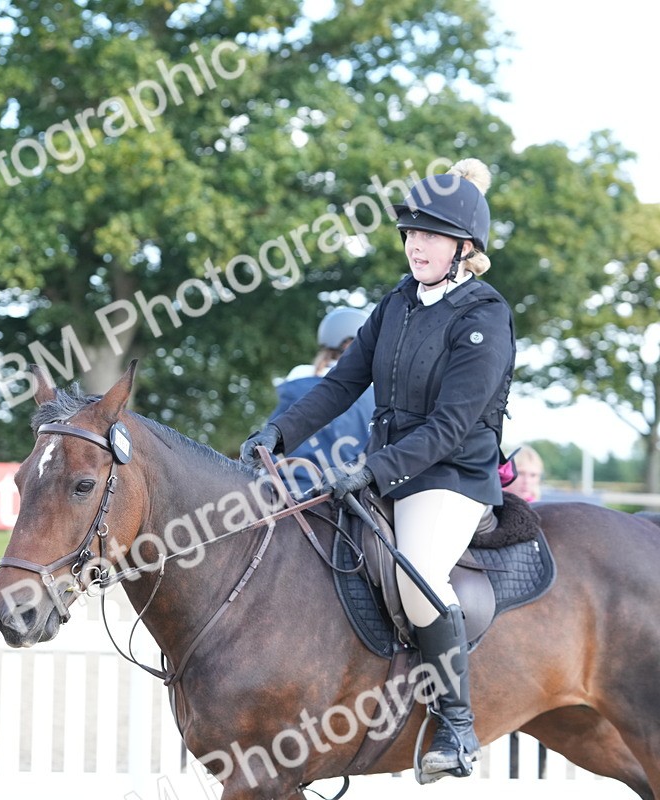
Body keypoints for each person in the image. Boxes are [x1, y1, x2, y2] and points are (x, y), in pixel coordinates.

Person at [240, 158, 515, 781]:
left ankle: (455, 724)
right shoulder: (397, 303)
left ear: (464, 247)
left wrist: (371, 471)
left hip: (448, 477)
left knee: (417, 577)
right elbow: (340, 383)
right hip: (388, 468)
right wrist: (280, 431)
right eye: (411, 232)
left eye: (432, 234)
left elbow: (451, 427)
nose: (416, 243)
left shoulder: (485, 316)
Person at [267, 307, 376, 497]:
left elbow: (272, 439)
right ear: (351, 343)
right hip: (344, 492)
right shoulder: (374, 392)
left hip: (286, 489)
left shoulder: (298, 376)